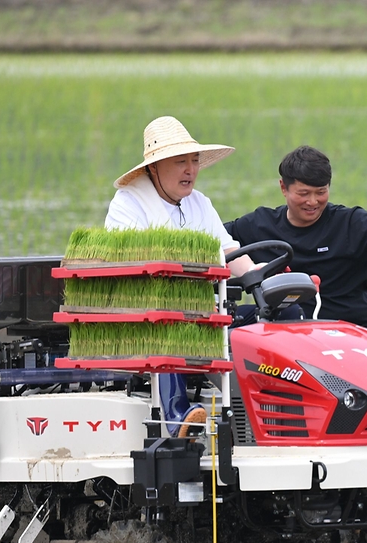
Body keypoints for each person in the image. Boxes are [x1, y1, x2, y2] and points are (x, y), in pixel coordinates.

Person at [105, 115, 256, 435]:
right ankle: (176, 415)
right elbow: (128, 266)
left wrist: (264, 282)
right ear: (154, 168)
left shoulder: (200, 203)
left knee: (261, 318)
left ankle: (268, 417)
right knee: (169, 321)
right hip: (145, 314)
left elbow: (229, 252)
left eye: (195, 160)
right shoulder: (128, 204)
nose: (191, 169)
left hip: (202, 310)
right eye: (180, 162)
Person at [224, 145, 367, 336]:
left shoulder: (348, 222)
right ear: (283, 188)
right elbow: (215, 238)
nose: (313, 202)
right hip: (291, 333)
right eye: (304, 193)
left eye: (321, 192)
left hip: (356, 329)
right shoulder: (259, 224)